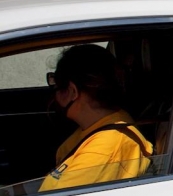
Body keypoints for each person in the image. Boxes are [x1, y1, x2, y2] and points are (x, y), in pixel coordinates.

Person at [39, 44, 153, 192]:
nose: (55, 93)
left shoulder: (105, 150)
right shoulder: (105, 122)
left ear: (72, 91)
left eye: (58, 85)